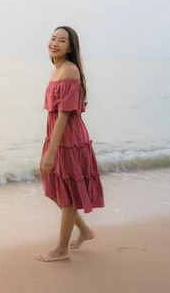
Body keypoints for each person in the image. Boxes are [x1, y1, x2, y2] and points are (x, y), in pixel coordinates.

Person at [35, 26, 104, 262]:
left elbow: (64, 115)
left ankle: (61, 250)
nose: (54, 43)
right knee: (55, 187)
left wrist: (51, 151)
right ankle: (84, 230)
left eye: (62, 40)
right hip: (57, 135)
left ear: (71, 47)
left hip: (68, 139)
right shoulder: (57, 69)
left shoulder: (69, 71)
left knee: (68, 193)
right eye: (53, 38)